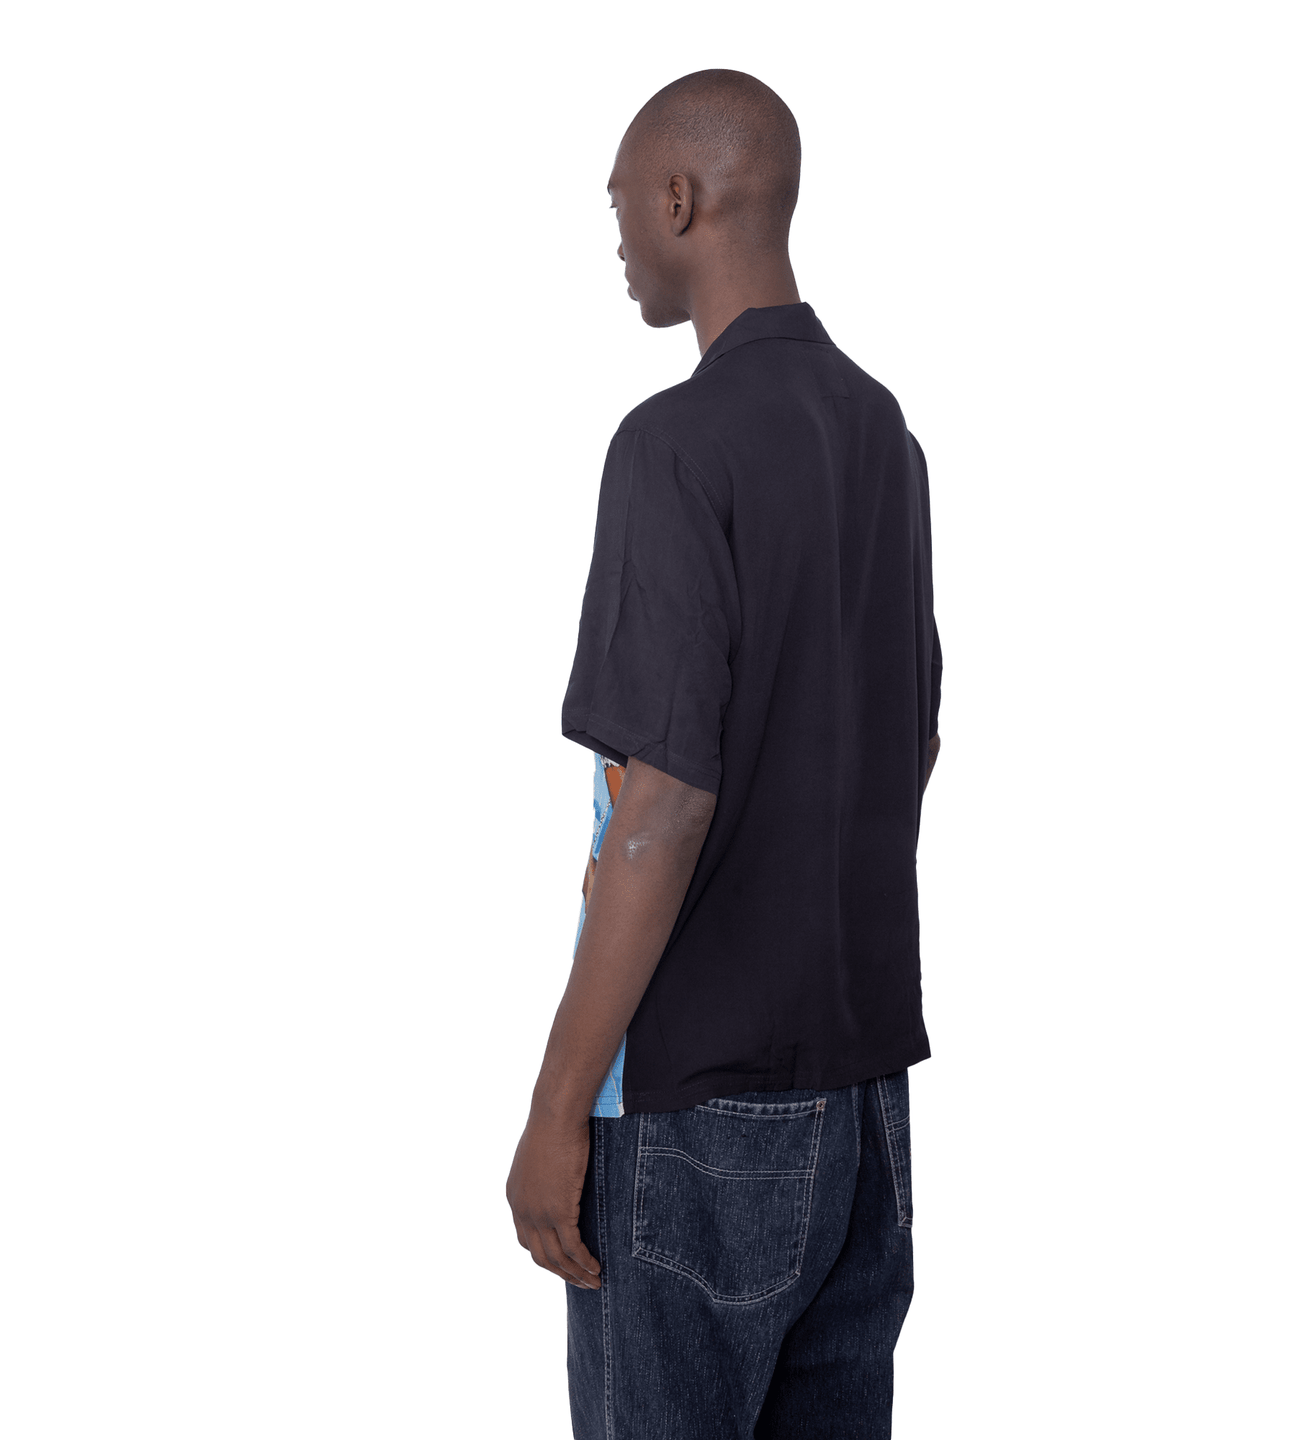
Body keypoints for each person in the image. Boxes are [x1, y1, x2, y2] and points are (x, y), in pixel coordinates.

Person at [506, 68, 943, 1439]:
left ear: (681, 199)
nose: (619, 238)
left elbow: (661, 809)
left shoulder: (674, 448)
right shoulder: (884, 438)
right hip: (864, 1107)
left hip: (697, 1114)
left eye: (623, 206)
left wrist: (555, 1116)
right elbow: (914, 735)